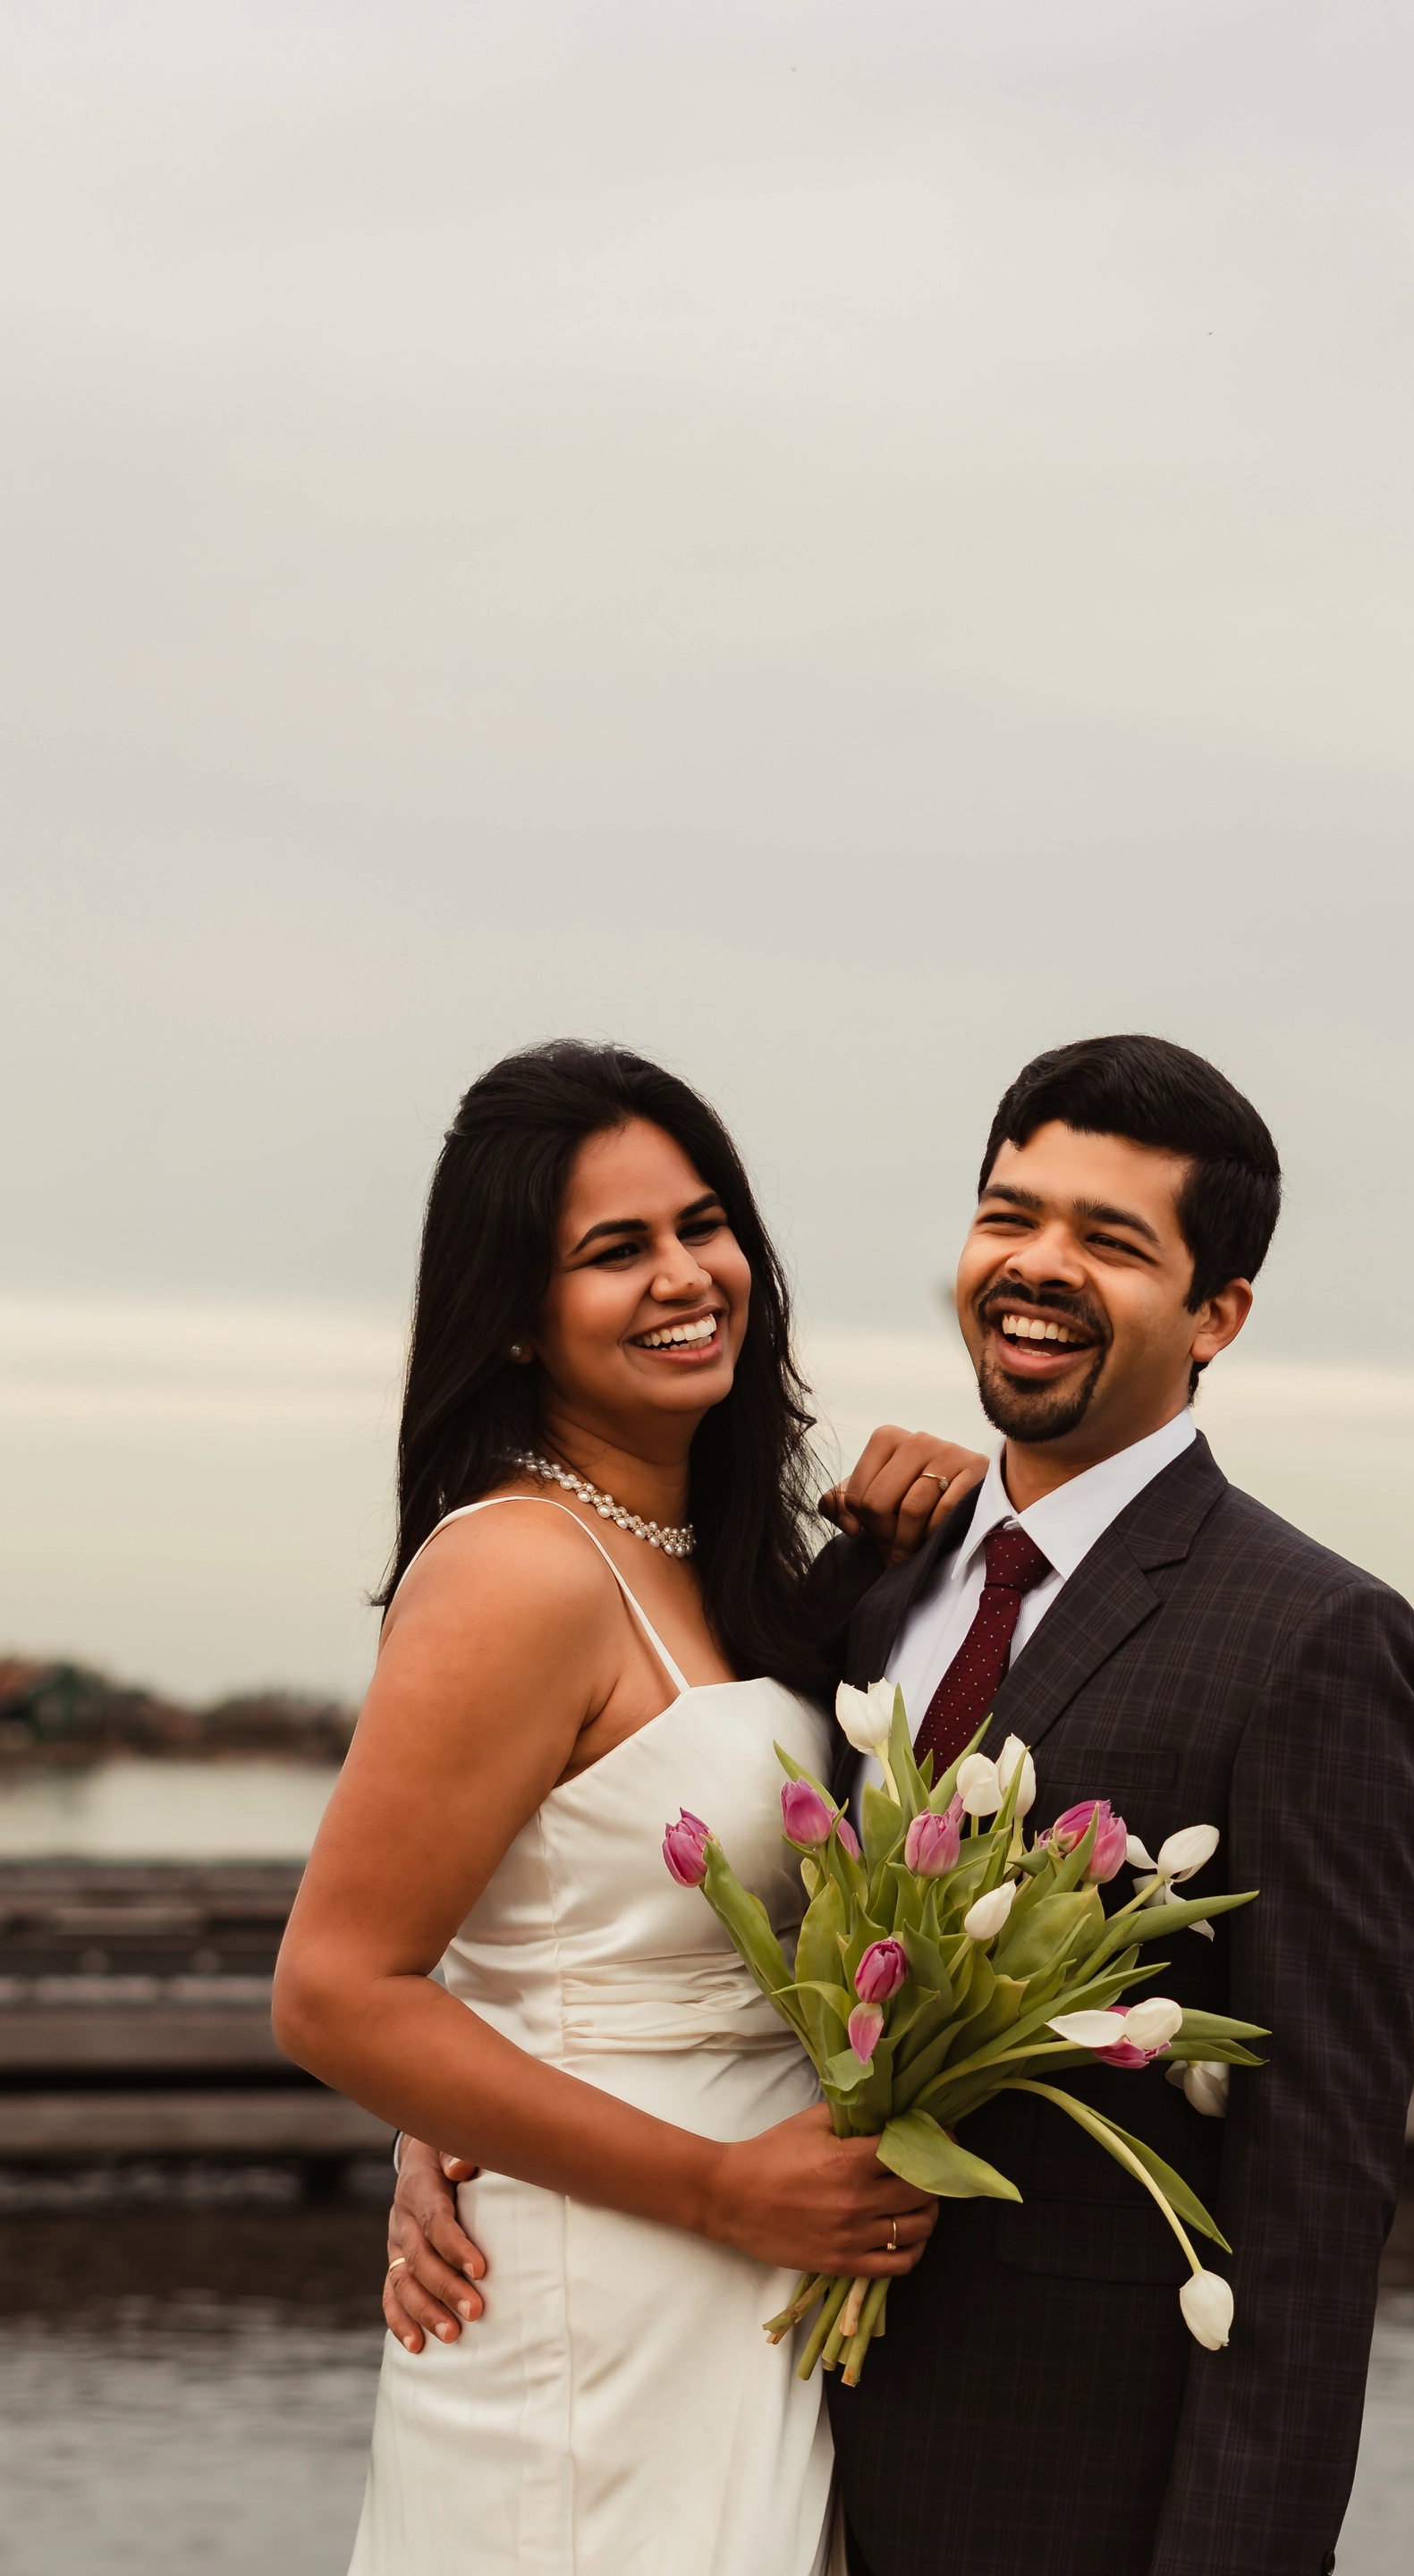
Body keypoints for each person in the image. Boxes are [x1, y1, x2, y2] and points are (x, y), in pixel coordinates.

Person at [391, 1031, 1414, 2576]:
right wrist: (455, 2111)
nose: (1040, 1266)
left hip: (1066, 2501)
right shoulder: (870, 1583)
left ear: (1218, 1312)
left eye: (1112, 1240)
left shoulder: (1315, 1642)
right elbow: (632, 1891)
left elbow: (1315, 2206)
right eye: (1012, 1214)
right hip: (752, 2432)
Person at [272, 1039, 983, 2576]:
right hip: (611, 2303)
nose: (684, 1275)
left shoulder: (716, 1562)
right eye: (613, 1251)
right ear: (517, 1320)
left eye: (701, 1224)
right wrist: (720, 2189)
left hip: (754, 2295)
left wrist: (890, 1542)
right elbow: (334, 1989)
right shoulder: (517, 1568)